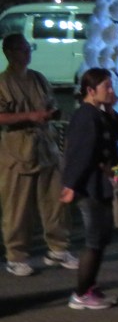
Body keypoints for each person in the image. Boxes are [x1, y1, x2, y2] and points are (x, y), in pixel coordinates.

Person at [0, 33, 74, 276]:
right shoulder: (3, 82)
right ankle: (16, 256)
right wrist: (29, 116)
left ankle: (58, 248)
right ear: (9, 53)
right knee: (17, 208)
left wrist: (51, 114)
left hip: (46, 148)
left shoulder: (38, 78)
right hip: (16, 153)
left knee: (55, 202)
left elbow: (51, 104)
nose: (27, 53)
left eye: (28, 48)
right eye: (22, 49)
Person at [60, 68, 118, 309]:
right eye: (106, 86)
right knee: (95, 240)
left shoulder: (97, 114)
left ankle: (89, 287)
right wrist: (70, 184)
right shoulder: (86, 116)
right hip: (90, 187)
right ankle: (81, 293)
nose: (111, 91)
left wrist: (110, 108)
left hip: (98, 184)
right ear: (90, 90)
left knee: (100, 238)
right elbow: (80, 153)